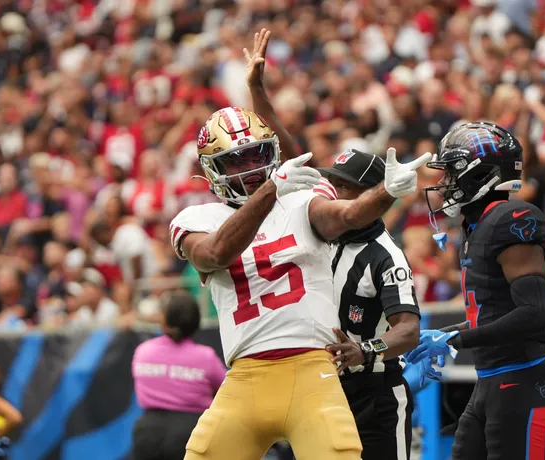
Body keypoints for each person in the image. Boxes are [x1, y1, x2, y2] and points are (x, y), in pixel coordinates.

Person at [169, 33, 431, 459]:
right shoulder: (197, 219)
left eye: (257, 156)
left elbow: (346, 214)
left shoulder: (300, 202)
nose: (250, 169)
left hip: (314, 371)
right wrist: (271, 187)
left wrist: (387, 192)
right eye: (236, 161)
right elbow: (215, 253)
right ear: (211, 170)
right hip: (245, 377)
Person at [406, 122, 545, 459]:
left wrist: (454, 341)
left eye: (452, 172)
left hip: (523, 385)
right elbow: (494, 313)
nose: (444, 183)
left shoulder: (512, 217)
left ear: (480, 175)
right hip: (491, 384)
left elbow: (533, 314)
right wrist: (444, 333)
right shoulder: (478, 225)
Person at [316, 149, 420, 460]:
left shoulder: (386, 256)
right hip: (326, 392)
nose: (333, 192)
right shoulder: (324, 236)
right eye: (331, 183)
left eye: (343, 186)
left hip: (375, 397)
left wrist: (365, 350)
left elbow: (409, 329)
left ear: (373, 197)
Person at [131, 292, 226, 460]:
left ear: (164, 323)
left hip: (147, 433)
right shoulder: (205, 356)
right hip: (191, 432)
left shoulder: (143, 351)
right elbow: (226, 391)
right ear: (196, 323)